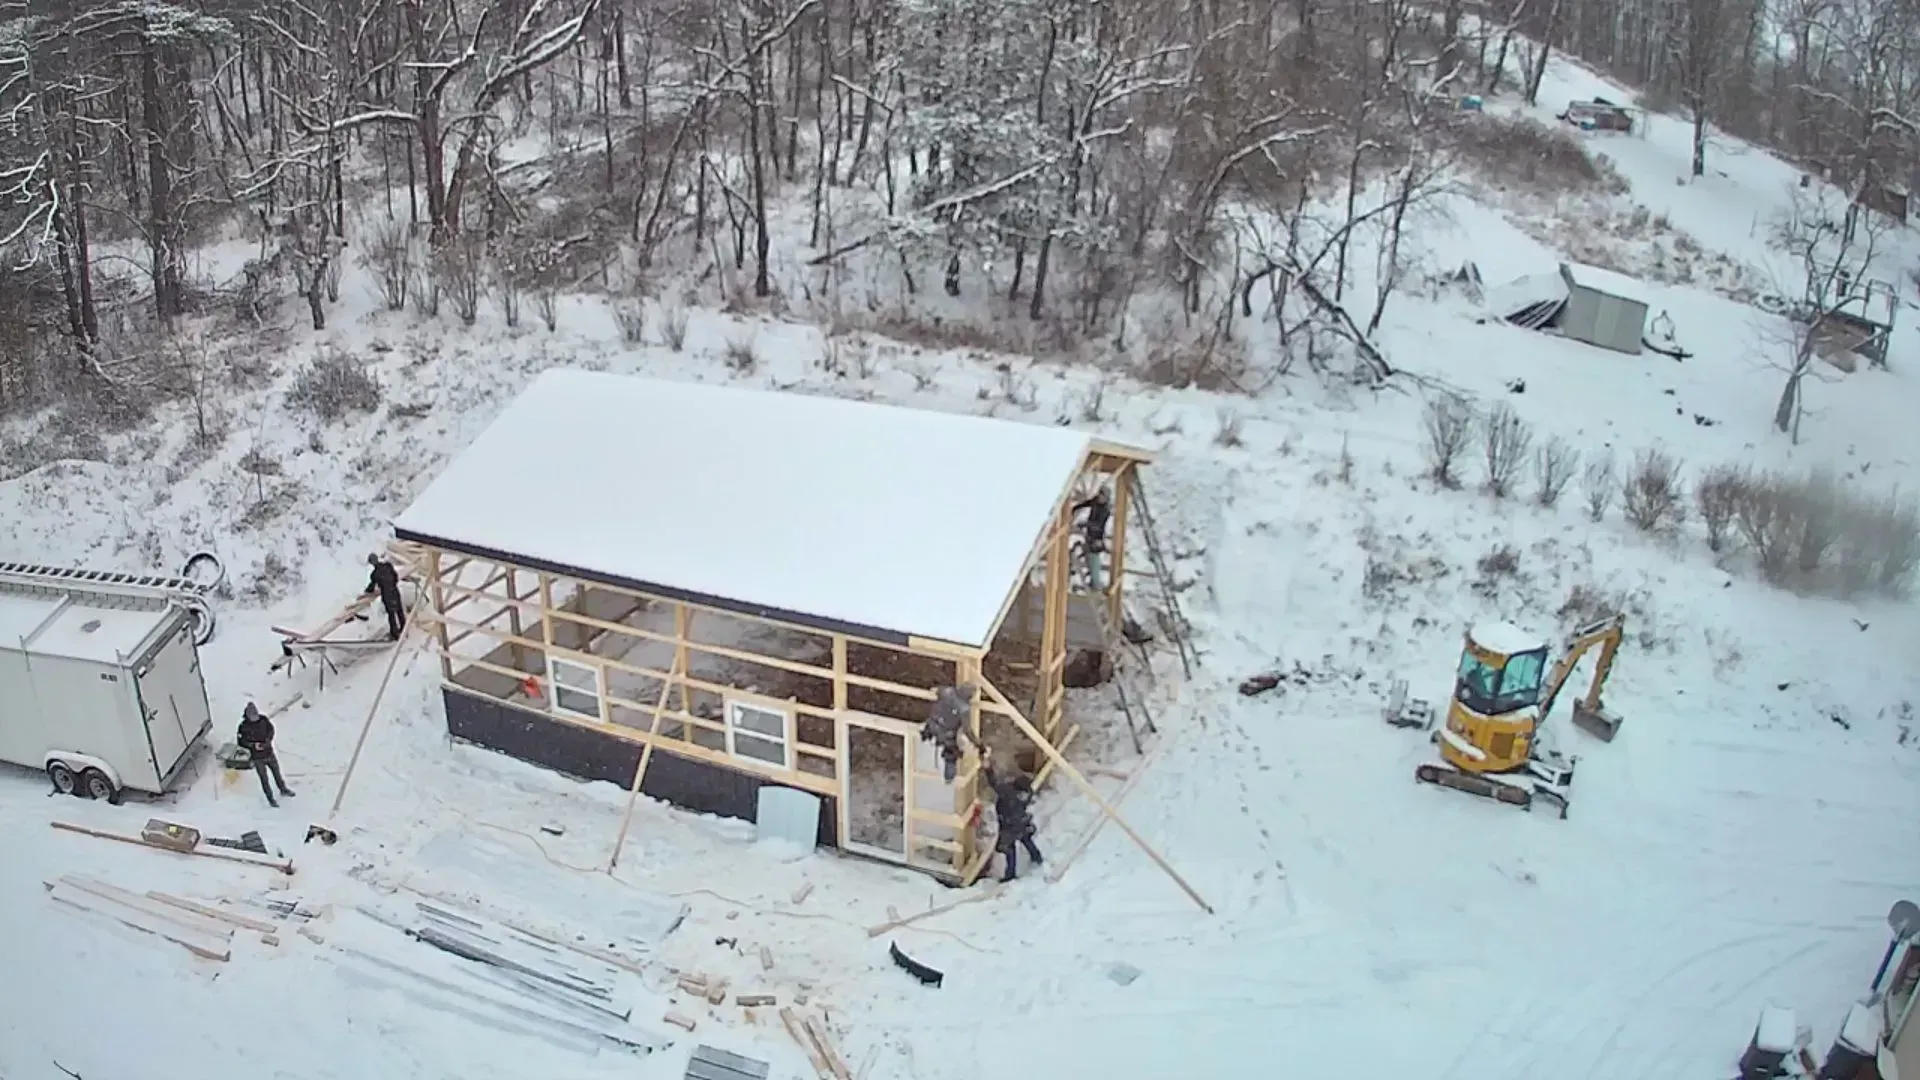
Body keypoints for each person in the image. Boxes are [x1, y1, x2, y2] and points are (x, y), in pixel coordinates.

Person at [984, 750, 1042, 882]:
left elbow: (994, 783)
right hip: (1020, 821)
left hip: (1009, 823)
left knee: (1010, 850)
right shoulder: (1027, 794)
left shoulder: (1008, 793)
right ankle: (1036, 857)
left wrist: (988, 768)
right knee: (1026, 840)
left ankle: (1010, 875)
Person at [238, 703, 294, 807]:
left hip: (269, 753)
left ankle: (283, 789)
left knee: (277, 773)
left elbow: (271, 730)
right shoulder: (243, 727)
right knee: (264, 779)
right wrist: (253, 745)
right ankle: (270, 798)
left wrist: (268, 741)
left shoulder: (263, 720)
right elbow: (241, 741)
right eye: (252, 717)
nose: (255, 718)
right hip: (257, 758)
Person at [364, 553, 405, 640]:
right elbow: (395, 577)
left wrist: (366, 592)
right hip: (394, 591)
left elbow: (371, 587)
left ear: (371, 563)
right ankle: (404, 628)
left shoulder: (374, 574)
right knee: (399, 610)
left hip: (387, 595)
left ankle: (395, 635)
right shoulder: (388, 565)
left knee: (391, 614)